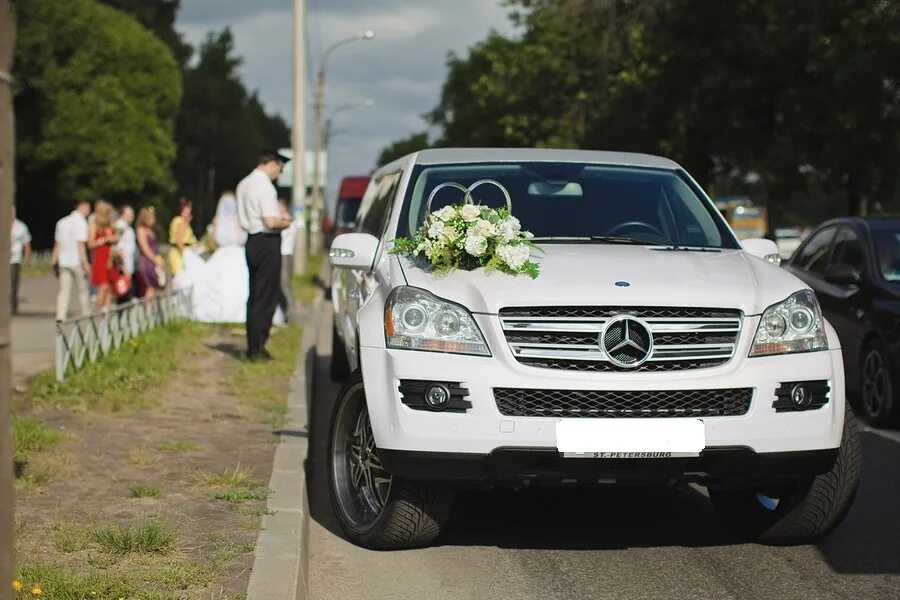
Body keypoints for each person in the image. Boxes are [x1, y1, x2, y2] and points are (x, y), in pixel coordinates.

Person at [237, 149, 292, 360]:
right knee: (267, 296)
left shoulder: (244, 183)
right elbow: (270, 221)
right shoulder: (265, 187)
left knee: (254, 295)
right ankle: (258, 348)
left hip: (251, 240)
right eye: (280, 168)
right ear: (273, 164)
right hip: (267, 242)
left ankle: (252, 345)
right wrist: (286, 222)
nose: (279, 174)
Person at [52, 199, 91, 321]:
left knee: (64, 290)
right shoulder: (81, 222)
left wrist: (54, 260)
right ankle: (86, 312)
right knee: (83, 289)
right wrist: (85, 262)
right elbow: (81, 245)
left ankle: (61, 314)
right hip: (76, 260)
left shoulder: (62, 222)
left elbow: (57, 244)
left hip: (64, 260)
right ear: (81, 207)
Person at [88, 200, 119, 311]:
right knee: (103, 285)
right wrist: (102, 240)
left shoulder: (111, 224)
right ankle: (99, 309)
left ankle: (107, 307)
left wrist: (111, 238)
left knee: (110, 285)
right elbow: (90, 244)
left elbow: (117, 237)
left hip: (110, 256)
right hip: (100, 256)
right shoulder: (94, 225)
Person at [135, 207, 164, 299]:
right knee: (150, 287)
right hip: (147, 262)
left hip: (153, 260)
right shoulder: (141, 230)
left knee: (155, 287)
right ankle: (148, 310)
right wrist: (155, 259)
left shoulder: (151, 230)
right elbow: (145, 248)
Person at [278, 197, 299, 322]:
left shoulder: (288, 221)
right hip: (281, 253)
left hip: (284, 253)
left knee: (284, 283)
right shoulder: (282, 220)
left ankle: (290, 311)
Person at [10, 206, 32, 314]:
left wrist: (27, 257)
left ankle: (12, 307)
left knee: (13, 283)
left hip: (14, 259)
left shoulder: (21, 227)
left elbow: (26, 243)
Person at [168, 197, 197, 276]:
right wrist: (186, 254)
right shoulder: (180, 221)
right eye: (187, 208)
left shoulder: (183, 222)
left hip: (182, 252)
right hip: (179, 253)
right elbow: (179, 240)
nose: (189, 210)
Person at [115, 204, 137, 277]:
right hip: (124, 260)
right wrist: (122, 264)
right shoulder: (121, 225)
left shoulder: (127, 226)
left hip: (129, 259)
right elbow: (118, 241)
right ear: (122, 214)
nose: (131, 215)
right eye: (128, 213)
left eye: (132, 213)